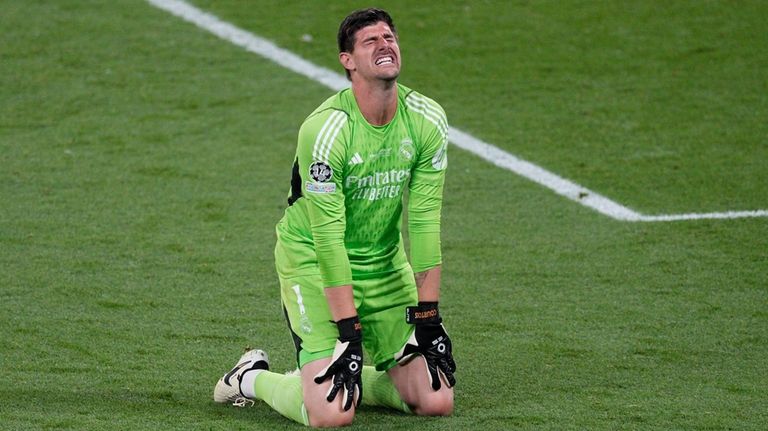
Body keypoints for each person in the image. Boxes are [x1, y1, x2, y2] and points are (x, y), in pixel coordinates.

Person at [213, 8, 456, 427]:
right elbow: (327, 237)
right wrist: (348, 329)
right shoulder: (327, 130)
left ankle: (358, 381)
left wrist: (428, 318)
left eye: (389, 37)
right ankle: (250, 378)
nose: (385, 45)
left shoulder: (426, 119)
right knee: (330, 415)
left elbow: (424, 221)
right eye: (371, 41)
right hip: (313, 260)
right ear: (348, 61)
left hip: (382, 262)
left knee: (436, 401)